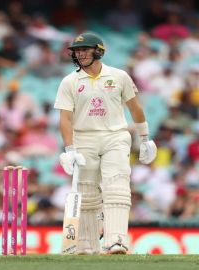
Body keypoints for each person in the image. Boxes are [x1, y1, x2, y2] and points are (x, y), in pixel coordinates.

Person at [54, 32, 157, 255]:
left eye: (84, 49)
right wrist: (69, 149)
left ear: (98, 51)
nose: (79, 54)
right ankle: (87, 244)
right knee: (88, 192)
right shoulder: (69, 81)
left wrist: (145, 138)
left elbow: (135, 107)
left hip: (115, 136)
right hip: (84, 138)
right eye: (77, 51)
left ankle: (116, 242)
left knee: (117, 187)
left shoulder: (119, 76)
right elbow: (65, 117)